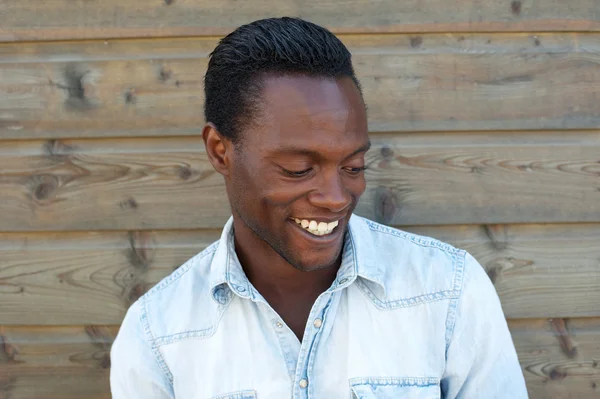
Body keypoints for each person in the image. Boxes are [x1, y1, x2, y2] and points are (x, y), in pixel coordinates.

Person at [110, 17, 528, 398]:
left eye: (353, 166)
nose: (335, 197)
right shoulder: (157, 335)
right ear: (220, 151)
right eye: (298, 169)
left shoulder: (448, 292)